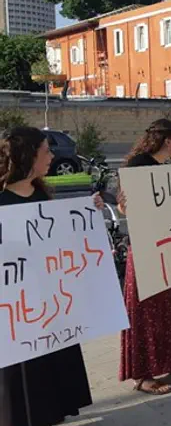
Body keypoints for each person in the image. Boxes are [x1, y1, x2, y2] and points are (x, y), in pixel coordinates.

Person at [0, 127, 103, 426]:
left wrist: (90, 213)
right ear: (28, 156)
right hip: (18, 309)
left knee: (51, 367)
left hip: (51, 302)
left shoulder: (43, 193)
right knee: (22, 373)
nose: (53, 156)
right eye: (46, 150)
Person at [117, 119, 171, 395]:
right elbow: (125, 207)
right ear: (167, 141)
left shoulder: (164, 168)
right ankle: (144, 374)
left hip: (169, 245)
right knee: (147, 309)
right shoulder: (138, 165)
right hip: (148, 248)